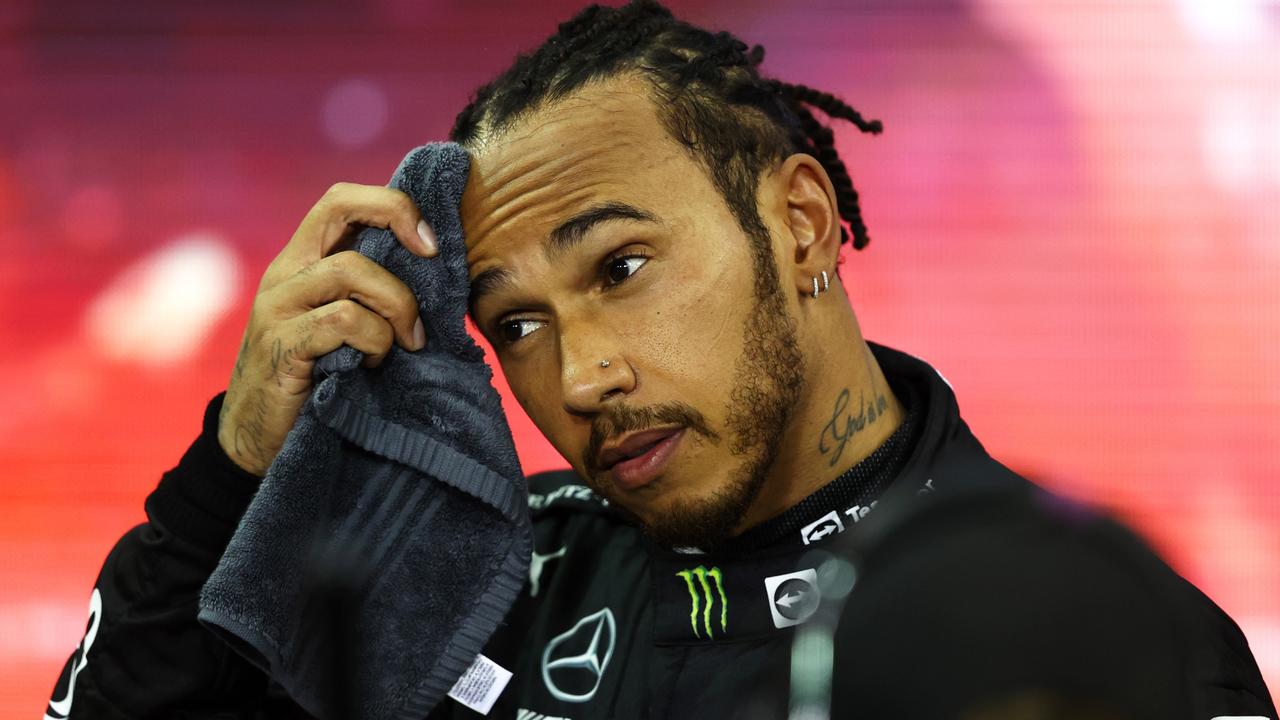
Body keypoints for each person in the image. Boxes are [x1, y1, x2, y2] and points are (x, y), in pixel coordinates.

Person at [46, 2, 1275, 718]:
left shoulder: (1082, 630)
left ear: (797, 224)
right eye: (513, 324)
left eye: (619, 269)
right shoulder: (462, 577)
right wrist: (233, 464)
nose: (576, 379)